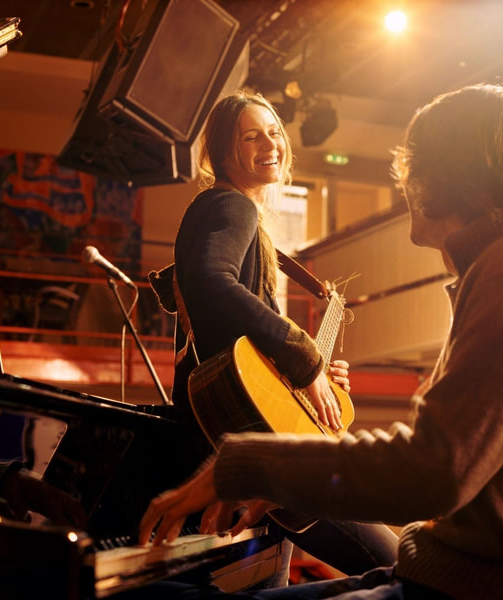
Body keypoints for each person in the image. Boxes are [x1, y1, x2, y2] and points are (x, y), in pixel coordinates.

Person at [136, 83, 503, 600]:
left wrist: (258, 466)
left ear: (440, 179)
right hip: (455, 575)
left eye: (410, 168)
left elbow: (434, 468)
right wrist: (281, 463)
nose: (404, 184)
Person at [148, 90, 398, 583]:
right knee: (403, 568)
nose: (271, 143)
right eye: (251, 136)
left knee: (269, 583)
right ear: (223, 152)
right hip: (254, 447)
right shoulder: (231, 205)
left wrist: (313, 375)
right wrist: (305, 361)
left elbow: (237, 331)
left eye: (275, 132)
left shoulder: (230, 212)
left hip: (237, 435)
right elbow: (210, 279)